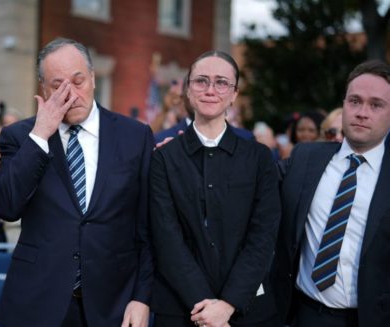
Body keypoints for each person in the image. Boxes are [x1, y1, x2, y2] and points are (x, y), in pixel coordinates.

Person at [0, 38, 153, 327]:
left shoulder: (135, 137)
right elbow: (6, 207)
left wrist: (142, 298)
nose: (71, 93)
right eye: (58, 85)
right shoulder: (20, 136)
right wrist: (40, 134)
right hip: (36, 303)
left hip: (112, 304)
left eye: (78, 81)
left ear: (92, 78)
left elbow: (148, 227)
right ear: (43, 89)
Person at [150, 50, 281, 327]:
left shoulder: (259, 158)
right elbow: (166, 238)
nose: (210, 90)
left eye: (222, 82)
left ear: (234, 94)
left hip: (247, 310)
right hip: (180, 309)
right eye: (201, 81)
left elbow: (263, 236)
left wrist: (228, 304)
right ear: (188, 89)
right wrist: (205, 307)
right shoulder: (163, 158)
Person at [274, 60, 390, 327]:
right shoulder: (305, 158)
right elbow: (248, 179)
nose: (362, 112)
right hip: (301, 314)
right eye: (355, 101)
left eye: (376, 105)